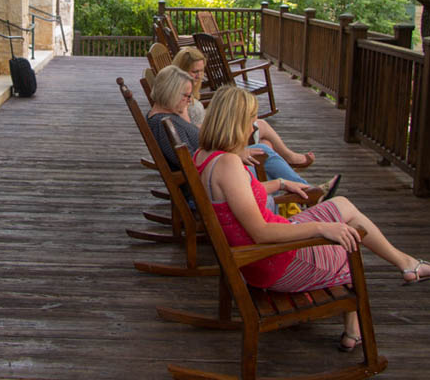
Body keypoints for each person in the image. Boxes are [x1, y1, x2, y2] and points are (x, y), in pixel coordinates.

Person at [194, 85, 429, 350]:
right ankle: (364, 316)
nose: (253, 128)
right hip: (272, 261)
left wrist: (281, 182)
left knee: (342, 205)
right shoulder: (229, 165)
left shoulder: (204, 157)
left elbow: (235, 199)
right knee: (349, 238)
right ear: (235, 123)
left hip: (265, 253)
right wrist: (321, 228)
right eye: (250, 120)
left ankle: (405, 266)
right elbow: (260, 232)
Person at [146, 65, 338, 201]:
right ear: (170, 92)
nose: (189, 100)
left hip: (213, 171)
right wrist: (233, 156)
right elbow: (189, 164)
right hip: (208, 186)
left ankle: (303, 193)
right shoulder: (163, 125)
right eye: (186, 96)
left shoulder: (169, 117)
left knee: (263, 149)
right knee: (262, 152)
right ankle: (304, 194)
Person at [171, 47, 316, 172]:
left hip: (211, 138)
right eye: (194, 71)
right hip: (213, 143)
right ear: (182, 71)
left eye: (201, 71)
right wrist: (217, 123)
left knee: (266, 145)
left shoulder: (186, 91)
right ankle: (290, 161)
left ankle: (277, 180)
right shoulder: (180, 99)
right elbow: (189, 130)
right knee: (262, 131)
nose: (199, 76)